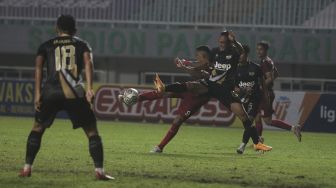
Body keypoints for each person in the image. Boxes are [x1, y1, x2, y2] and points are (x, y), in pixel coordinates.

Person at [19, 15, 113, 180]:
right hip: (74, 92)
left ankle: (27, 168)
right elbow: (88, 64)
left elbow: (38, 68)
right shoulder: (82, 44)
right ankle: (99, 171)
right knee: (91, 130)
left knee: (37, 128)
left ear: (57, 28)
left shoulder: (46, 45)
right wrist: (90, 88)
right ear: (74, 30)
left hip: (50, 92)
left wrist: (38, 93)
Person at [154, 31, 272, 152]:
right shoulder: (215, 52)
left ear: (229, 42)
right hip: (211, 85)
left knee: (243, 115)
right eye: (220, 42)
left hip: (225, 90)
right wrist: (187, 64)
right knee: (190, 86)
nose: (221, 45)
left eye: (224, 42)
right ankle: (164, 87)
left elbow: (241, 50)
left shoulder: (234, 53)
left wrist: (235, 41)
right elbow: (204, 64)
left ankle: (257, 143)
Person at [119, 46, 211, 153]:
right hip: (189, 90)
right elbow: (195, 69)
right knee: (161, 92)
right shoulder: (200, 65)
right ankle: (134, 99)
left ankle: (160, 147)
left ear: (205, 57)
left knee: (178, 121)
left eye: (197, 56)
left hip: (197, 98)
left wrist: (185, 64)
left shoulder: (211, 67)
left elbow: (198, 70)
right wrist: (184, 64)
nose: (195, 58)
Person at [254, 41, 302, 142]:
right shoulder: (268, 60)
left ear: (265, 50)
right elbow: (276, 74)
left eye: (261, 49)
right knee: (257, 116)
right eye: (257, 49)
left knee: (268, 121)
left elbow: (270, 78)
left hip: (265, 95)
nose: (258, 51)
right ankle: (258, 140)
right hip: (264, 93)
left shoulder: (265, 62)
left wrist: (261, 86)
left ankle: (293, 128)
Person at [234, 45, 265, 154]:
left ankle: (242, 145)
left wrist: (265, 95)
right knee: (247, 123)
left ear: (246, 54)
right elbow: (234, 87)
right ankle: (258, 144)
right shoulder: (235, 69)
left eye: (241, 54)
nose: (239, 56)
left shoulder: (255, 68)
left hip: (255, 98)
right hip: (242, 99)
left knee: (250, 119)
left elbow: (263, 83)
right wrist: (242, 89)